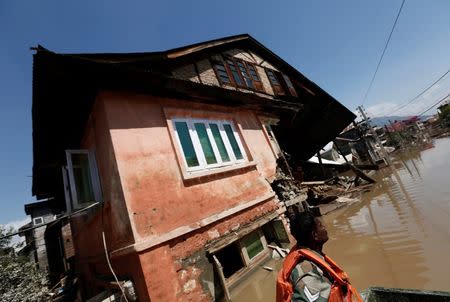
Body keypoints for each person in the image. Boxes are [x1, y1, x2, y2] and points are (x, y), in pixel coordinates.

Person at [276, 211, 362, 302]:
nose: (324, 227)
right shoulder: (307, 272)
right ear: (315, 235)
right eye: (320, 225)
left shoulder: (313, 255)